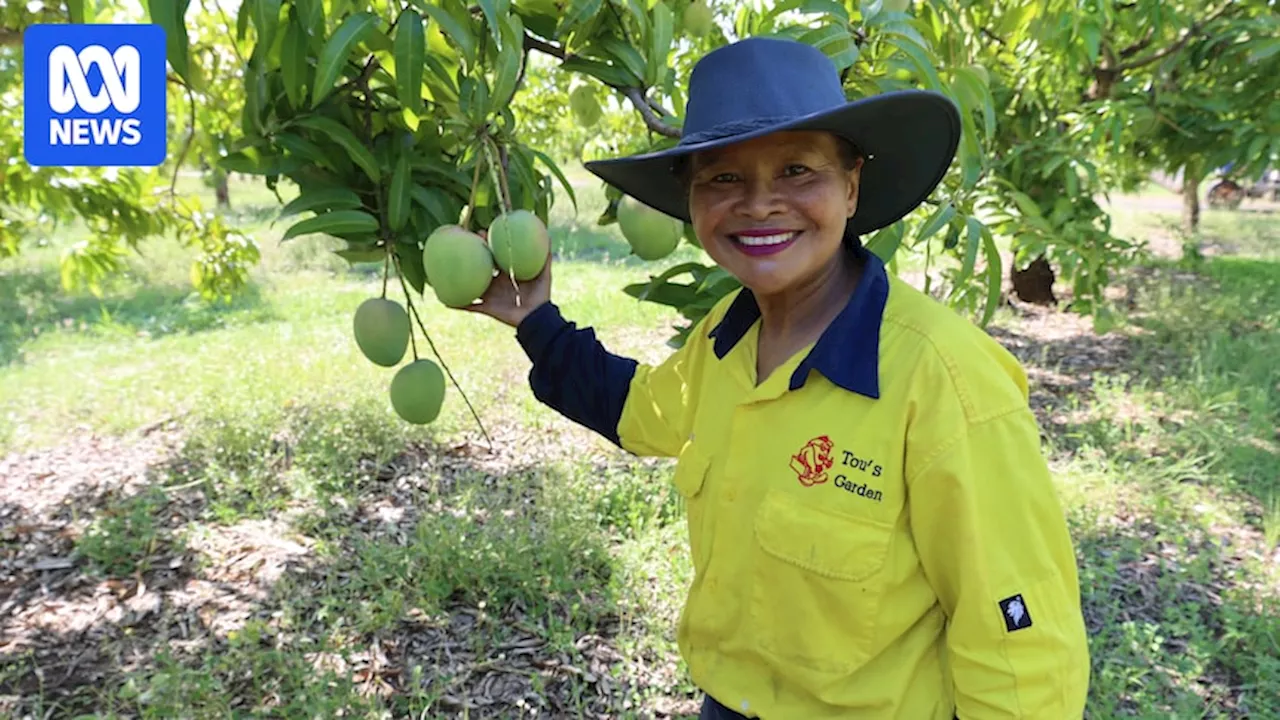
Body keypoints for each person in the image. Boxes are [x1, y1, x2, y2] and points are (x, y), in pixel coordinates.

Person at [460, 37, 1091, 719]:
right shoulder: (729, 337)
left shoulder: (943, 377)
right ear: (693, 202)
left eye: (797, 170)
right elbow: (644, 412)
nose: (759, 205)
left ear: (851, 187)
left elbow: (1020, 647)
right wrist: (536, 323)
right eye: (723, 179)